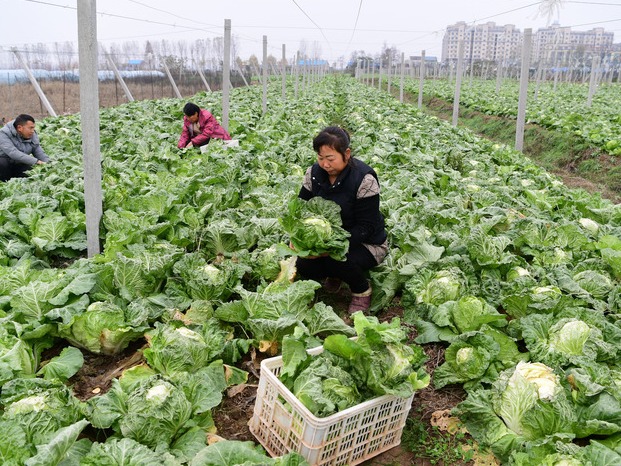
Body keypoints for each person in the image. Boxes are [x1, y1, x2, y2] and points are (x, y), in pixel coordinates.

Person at [294, 126, 388, 313]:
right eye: (320, 158)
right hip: (327, 242)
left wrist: (330, 247)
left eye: (330, 159)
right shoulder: (313, 174)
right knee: (303, 264)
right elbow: (300, 208)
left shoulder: (364, 179)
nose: (325, 164)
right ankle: (333, 275)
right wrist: (297, 238)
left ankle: (361, 290)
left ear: (347, 154)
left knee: (339, 260)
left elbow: (366, 227)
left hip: (366, 243)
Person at [0, 114, 50, 182]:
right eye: (30, 128)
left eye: (33, 128)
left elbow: (37, 149)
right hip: (4, 163)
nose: (33, 131)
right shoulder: (3, 133)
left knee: (31, 173)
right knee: (2, 164)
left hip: (19, 162)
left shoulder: (31, 133)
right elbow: (13, 152)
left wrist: (48, 164)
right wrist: (36, 161)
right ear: (19, 128)